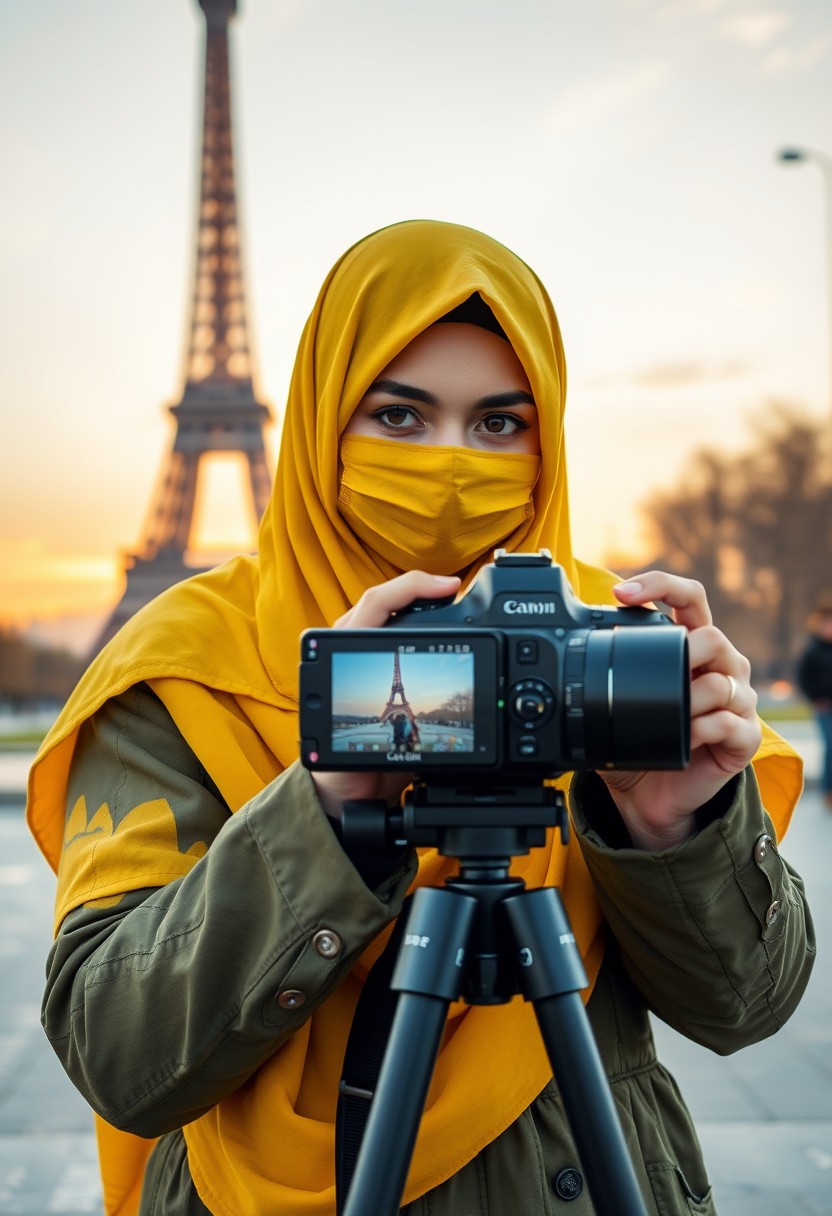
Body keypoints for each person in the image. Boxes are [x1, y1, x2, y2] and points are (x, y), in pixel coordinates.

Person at [28, 220, 813, 1216]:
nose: (450, 461)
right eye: (399, 417)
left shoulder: (614, 638)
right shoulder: (185, 665)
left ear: (549, 435)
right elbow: (120, 1053)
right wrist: (327, 796)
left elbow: (744, 1006)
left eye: (499, 422)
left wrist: (674, 825)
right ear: (319, 423)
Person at [796, 590, 832, 808]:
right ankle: (828, 791)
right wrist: (816, 698)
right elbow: (804, 679)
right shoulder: (813, 651)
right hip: (824, 707)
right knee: (830, 747)